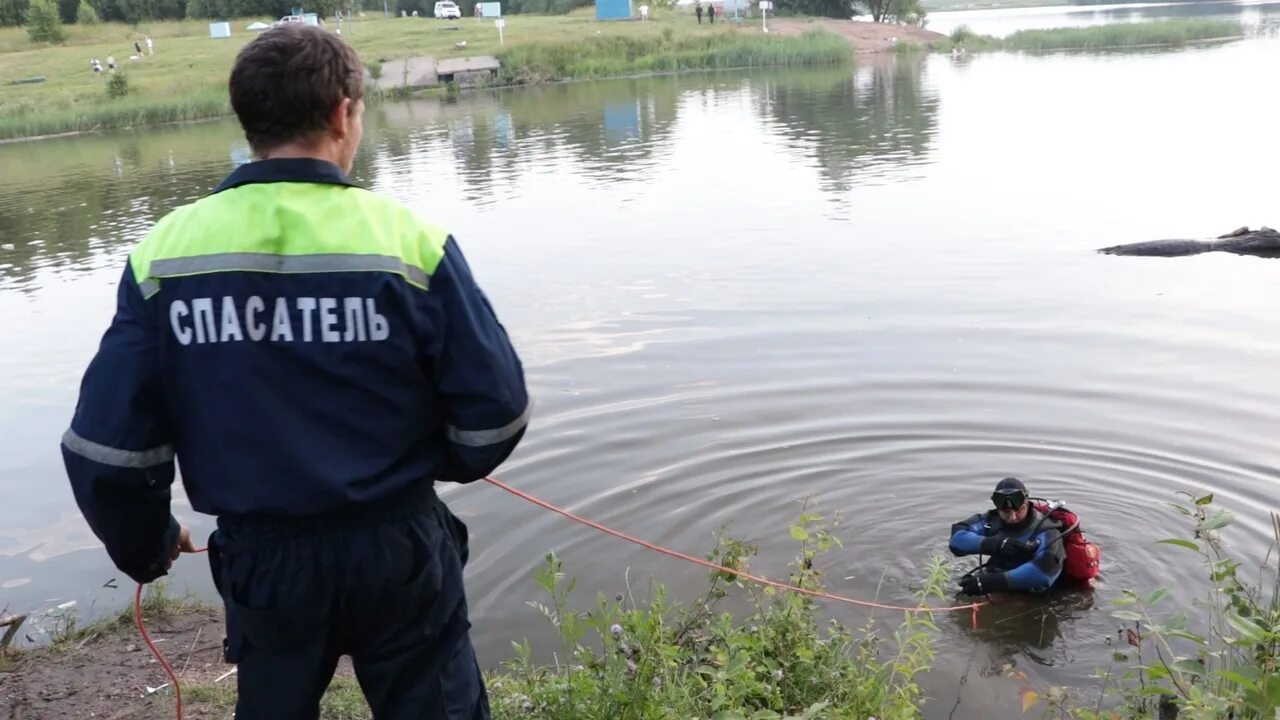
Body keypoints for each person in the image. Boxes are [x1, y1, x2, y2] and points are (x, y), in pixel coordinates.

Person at [60, 23, 529, 720]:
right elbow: (496, 412)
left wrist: (149, 545)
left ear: (249, 120)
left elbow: (106, 449)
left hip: (265, 562)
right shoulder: (409, 241)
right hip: (397, 546)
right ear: (343, 114)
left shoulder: (165, 253)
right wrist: (436, 464)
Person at [949, 478, 1065, 595]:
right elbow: (956, 539)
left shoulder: (1047, 530)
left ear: (1027, 503)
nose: (1013, 517)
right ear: (998, 508)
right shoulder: (991, 520)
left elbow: (1044, 574)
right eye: (1006, 512)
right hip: (999, 581)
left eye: (1019, 510)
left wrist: (991, 583)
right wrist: (997, 544)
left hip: (1032, 594)